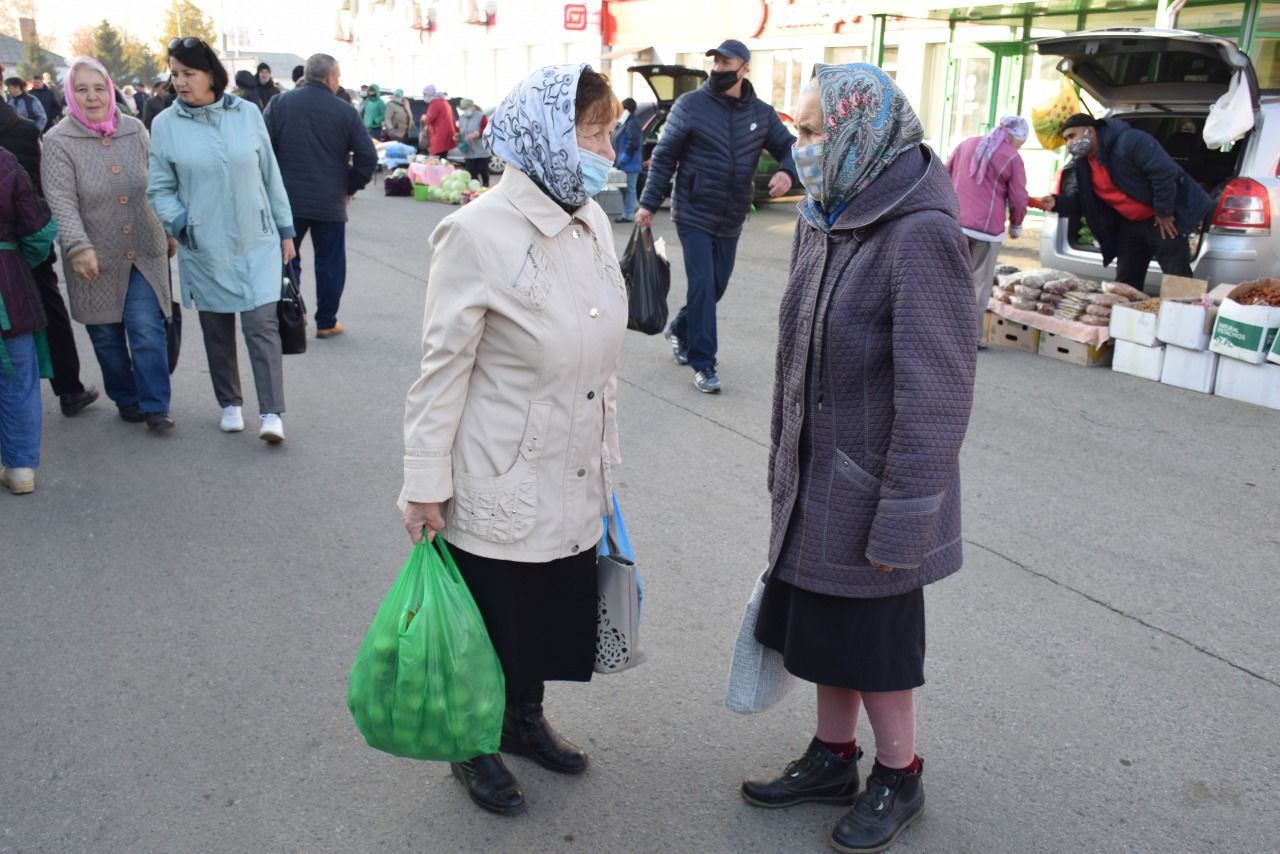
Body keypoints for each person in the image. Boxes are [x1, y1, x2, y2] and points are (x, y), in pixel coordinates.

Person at [741, 64, 975, 854]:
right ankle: (832, 759)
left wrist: (906, 517)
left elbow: (937, 398)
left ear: (857, 133)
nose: (799, 148)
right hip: (818, 477)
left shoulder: (920, 234)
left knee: (876, 647)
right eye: (798, 131)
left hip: (875, 490)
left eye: (812, 132)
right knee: (824, 631)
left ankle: (899, 773)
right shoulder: (825, 212)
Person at [399, 63, 625, 817]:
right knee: (492, 622)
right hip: (500, 466)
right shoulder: (475, 231)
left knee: (547, 613)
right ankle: (472, 746)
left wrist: (604, 453)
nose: (607, 147)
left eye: (609, 131)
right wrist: (424, 480)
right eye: (593, 131)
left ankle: (523, 722)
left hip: (573, 461)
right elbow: (442, 368)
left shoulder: (589, 216)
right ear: (549, 135)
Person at [147, 37, 296, 442]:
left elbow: (270, 175)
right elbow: (159, 188)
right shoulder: (165, 125)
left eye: (188, 73)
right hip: (204, 244)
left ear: (211, 73)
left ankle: (271, 413)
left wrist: (285, 229)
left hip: (257, 239)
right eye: (174, 73)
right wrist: (182, 224)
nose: (179, 81)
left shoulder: (247, 113)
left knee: (261, 326)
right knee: (217, 327)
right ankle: (230, 403)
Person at [635, 38, 796, 394]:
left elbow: (791, 148)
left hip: (733, 215)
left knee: (716, 287)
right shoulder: (690, 106)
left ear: (744, 68)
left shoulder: (761, 114)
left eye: (727, 64)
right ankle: (704, 363)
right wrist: (648, 203)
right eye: (717, 63)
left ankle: (679, 328)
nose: (719, 69)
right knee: (703, 286)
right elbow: (663, 156)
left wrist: (788, 171)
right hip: (693, 211)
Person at [42, 57, 175, 431]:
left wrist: (168, 228)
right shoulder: (58, 141)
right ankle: (126, 396)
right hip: (92, 254)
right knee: (106, 335)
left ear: (110, 89)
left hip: (144, 249)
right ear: (70, 94)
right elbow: (60, 200)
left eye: (99, 88)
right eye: (81, 89)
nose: (92, 96)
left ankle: (155, 405)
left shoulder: (135, 130)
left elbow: (158, 183)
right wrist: (77, 246)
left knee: (146, 328)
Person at [264, 53, 376, 339]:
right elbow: (367, 156)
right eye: (338, 77)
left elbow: (261, 151)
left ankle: (291, 316)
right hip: (329, 202)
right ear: (329, 77)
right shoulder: (345, 112)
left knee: (288, 259)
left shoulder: (279, 104)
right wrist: (349, 186)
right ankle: (326, 321)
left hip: (286, 201)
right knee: (330, 262)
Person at [0, 98, 99, 416]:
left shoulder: (25, 129)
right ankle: (69, 389)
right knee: (49, 310)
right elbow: (40, 187)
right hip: (28, 239)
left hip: (19, 241)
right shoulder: (25, 130)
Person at [1036, 113, 1213, 289]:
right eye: (1066, 140)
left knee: (1179, 280)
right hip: (1129, 223)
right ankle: (1128, 315)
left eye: (1072, 136)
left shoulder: (1130, 141)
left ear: (1090, 131)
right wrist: (1057, 203)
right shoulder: (1082, 164)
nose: (1069, 144)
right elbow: (1082, 201)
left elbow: (1164, 172)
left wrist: (1164, 212)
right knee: (1126, 282)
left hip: (1161, 220)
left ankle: (1184, 314)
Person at [0, 148, 55, 494]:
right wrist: (17, 262)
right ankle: (20, 467)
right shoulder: (4, 161)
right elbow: (39, 231)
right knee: (18, 378)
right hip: (7, 283)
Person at [946, 115, 1029, 344]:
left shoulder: (966, 144)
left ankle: (941, 330)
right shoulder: (1012, 157)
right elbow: (1019, 197)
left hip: (954, 223)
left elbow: (945, 173)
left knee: (949, 279)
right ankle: (970, 338)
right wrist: (1016, 225)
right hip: (987, 231)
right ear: (1015, 136)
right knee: (978, 285)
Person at [612, 96, 642, 222]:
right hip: (622, 163)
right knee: (623, 188)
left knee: (629, 189)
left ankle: (628, 214)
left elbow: (633, 144)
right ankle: (628, 211)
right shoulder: (623, 122)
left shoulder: (632, 123)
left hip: (629, 163)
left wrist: (622, 160)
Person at [456, 98, 489, 186]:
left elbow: (487, 130)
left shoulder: (481, 116)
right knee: (472, 172)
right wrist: (457, 136)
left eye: (466, 108)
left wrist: (477, 134)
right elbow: (461, 132)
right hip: (468, 151)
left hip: (481, 150)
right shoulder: (462, 118)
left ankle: (485, 186)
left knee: (483, 171)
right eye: (463, 109)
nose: (465, 111)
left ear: (472, 107)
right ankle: (477, 189)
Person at [420, 84, 456, 157]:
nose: (423, 96)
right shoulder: (444, 102)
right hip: (446, 136)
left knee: (437, 161)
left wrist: (424, 117)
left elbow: (428, 119)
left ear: (429, 94)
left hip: (439, 137)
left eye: (424, 94)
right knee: (443, 158)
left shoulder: (435, 103)